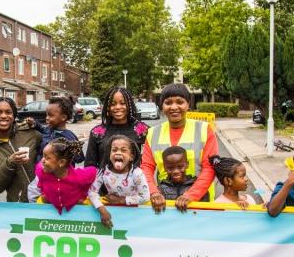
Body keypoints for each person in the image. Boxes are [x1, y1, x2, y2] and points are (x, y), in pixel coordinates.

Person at [141, 83, 217, 213]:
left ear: (188, 104)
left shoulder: (204, 129)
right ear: (162, 106)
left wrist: (190, 196)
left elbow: (209, 167)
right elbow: (146, 167)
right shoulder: (153, 133)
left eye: (180, 102)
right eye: (168, 102)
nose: (174, 107)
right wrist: (153, 192)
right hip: (165, 202)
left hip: (199, 202)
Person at [0, 97, 41, 203]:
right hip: (17, 204)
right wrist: (9, 163)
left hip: (44, 201)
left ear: (14, 116)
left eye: (8, 112)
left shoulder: (31, 134)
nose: (3, 116)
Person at [88, 135, 150, 228]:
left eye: (123, 150)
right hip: (113, 212)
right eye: (114, 150)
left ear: (131, 157)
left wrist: (121, 200)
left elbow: (145, 196)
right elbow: (92, 192)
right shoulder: (103, 171)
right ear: (109, 155)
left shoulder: (137, 173)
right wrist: (102, 209)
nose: (118, 153)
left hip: (135, 213)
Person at [27, 138, 97, 213]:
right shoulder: (42, 172)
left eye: (47, 158)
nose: (42, 160)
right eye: (43, 156)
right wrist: (46, 196)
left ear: (62, 162)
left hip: (74, 213)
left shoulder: (79, 176)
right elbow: (36, 188)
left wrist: (82, 196)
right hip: (50, 212)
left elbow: (94, 173)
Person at [84, 86, 148, 168]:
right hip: (104, 180)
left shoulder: (143, 130)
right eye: (113, 104)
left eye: (122, 103)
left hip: (136, 180)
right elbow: (90, 165)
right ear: (108, 107)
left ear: (129, 105)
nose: (118, 107)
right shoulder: (97, 132)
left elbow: (150, 163)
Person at [25, 96, 83, 164]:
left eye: (50, 115)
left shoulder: (69, 137)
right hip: (41, 171)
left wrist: (65, 159)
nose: (46, 118)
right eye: (46, 115)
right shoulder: (47, 130)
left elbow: (79, 157)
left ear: (63, 117)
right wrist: (34, 123)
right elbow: (41, 128)